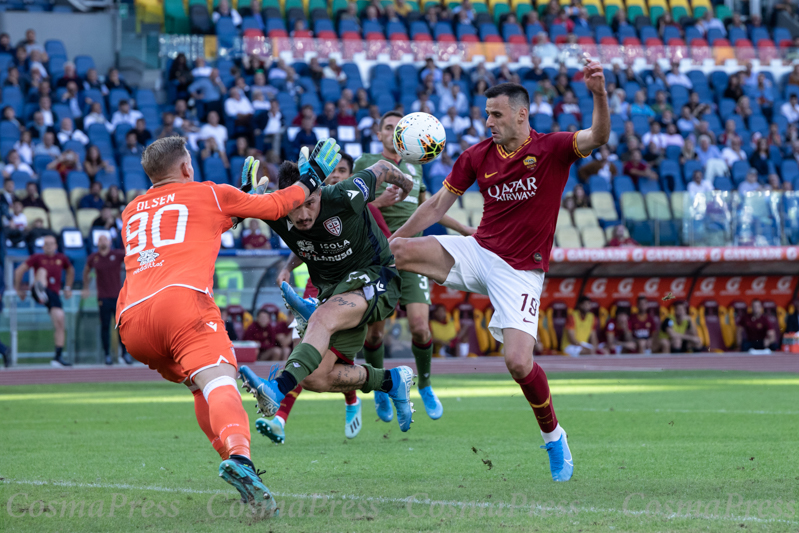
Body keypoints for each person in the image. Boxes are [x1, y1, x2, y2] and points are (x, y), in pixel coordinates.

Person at [386, 61, 609, 482]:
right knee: (393, 252)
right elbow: (436, 206)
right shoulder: (477, 156)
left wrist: (598, 93)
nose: (488, 121)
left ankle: (554, 436)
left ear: (522, 114)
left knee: (519, 363)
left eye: (496, 114)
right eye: (486, 113)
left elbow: (598, 137)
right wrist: (389, 241)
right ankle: (331, 308)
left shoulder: (553, 148)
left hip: (521, 270)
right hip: (479, 250)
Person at [115, 138, 318, 511]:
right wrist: (311, 180)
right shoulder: (208, 192)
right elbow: (276, 205)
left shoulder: (131, 210)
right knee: (220, 380)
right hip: (182, 303)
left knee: (199, 387)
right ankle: (241, 459)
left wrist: (237, 204)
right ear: (187, 168)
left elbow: (189, 226)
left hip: (131, 320)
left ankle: (236, 463)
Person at [237, 140, 420, 443]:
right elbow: (228, 217)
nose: (303, 213)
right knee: (315, 377)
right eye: (294, 207)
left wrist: (405, 182)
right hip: (334, 293)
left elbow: (384, 168)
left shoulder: (344, 194)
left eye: (309, 202)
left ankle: (277, 389)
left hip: (377, 278)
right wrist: (240, 202)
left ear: (319, 191)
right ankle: (391, 381)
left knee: (321, 317)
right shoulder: (274, 211)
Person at [14, 235, 74, 366]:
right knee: (42, 271)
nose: (49, 246)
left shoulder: (61, 258)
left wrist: (68, 287)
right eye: (46, 244)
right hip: (38, 291)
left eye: (51, 244)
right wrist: (18, 289)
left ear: (56, 245)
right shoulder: (38, 258)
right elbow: (19, 270)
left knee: (60, 320)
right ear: (43, 246)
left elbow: (70, 270)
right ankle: (40, 291)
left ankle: (58, 357)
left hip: (53, 296)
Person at [82, 234, 131, 365]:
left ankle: (124, 354)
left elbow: (131, 258)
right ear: (97, 243)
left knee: (121, 326)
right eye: (100, 240)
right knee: (105, 326)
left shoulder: (117, 255)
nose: (102, 242)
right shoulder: (94, 258)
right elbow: (86, 270)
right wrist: (86, 287)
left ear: (110, 242)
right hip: (103, 297)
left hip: (118, 297)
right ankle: (107, 355)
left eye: (105, 239)